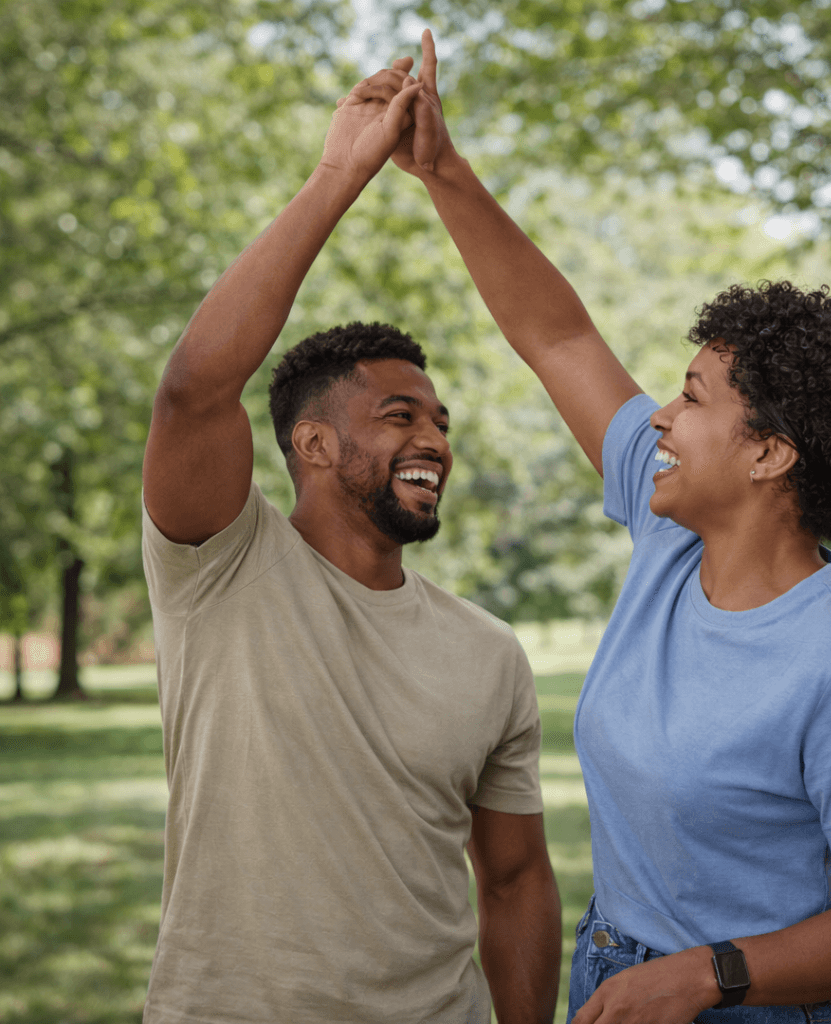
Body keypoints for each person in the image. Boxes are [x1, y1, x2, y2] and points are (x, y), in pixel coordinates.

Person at [386, 30, 831, 1024]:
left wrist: (703, 974)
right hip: (619, 971)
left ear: (769, 455)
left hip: (759, 1002)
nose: (658, 415)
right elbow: (556, 334)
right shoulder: (669, 533)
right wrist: (442, 173)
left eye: (691, 397)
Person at [140, 64, 560, 1024]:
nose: (435, 442)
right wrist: (340, 175)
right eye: (399, 415)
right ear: (314, 444)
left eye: (441, 422)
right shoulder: (221, 566)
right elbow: (195, 390)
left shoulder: (490, 653)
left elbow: (514, 881)